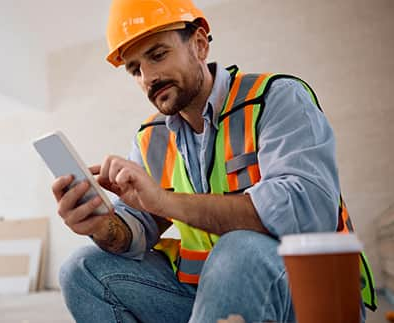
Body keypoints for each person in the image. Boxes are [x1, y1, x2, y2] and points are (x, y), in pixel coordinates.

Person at [51, 0, 376, 322]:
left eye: (157, 54)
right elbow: (136, 229)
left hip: (306, 297)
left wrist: (164, 201)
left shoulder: (274, 99)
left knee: (240, 249)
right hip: (211, 297)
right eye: (135, 69)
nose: (148, 76)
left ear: (199, 45)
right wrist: (102, 226)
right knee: (81, 270)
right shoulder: (152, 138)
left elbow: (307, 212)